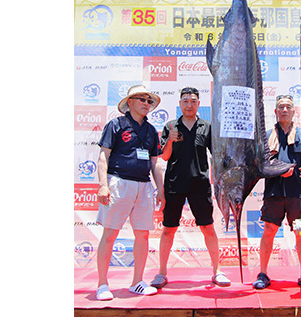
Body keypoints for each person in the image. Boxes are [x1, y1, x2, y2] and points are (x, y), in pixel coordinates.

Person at [150, 87, 231, 289]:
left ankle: (217, 271)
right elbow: (165, 157)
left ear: (198, 104)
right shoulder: (170, 126)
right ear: (179, 104)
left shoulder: (207, 126)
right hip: (174, 185)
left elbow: (217, 155)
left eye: (193, 101)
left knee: (208, 228)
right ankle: (161, 273)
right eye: (185, 101)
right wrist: (169, 140)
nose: (189, 105)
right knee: (168, 229)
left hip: (200, 184)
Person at [94, 85, 165, 300]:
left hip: (143, 186)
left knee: (142, 234)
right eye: (142, 99)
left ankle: (137, 282)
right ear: (130, 101)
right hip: (118, 182)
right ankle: (102, 284)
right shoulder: (115, 124)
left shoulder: (152, 130)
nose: (146, 103)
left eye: (149, 100)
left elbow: (155, 163)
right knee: (110, 233)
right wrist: (103, 185)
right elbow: (103, 156)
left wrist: (160, 189)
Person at [252, 94, 301, 290]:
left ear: (294, 111)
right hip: (273, 192)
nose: (284, 110)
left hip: (297, 193)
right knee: (269, 231)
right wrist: (279, 170)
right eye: (280, 107)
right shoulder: (266, 135)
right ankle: (263, 273)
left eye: (288, 107)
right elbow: (260, 162)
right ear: (275, 111)